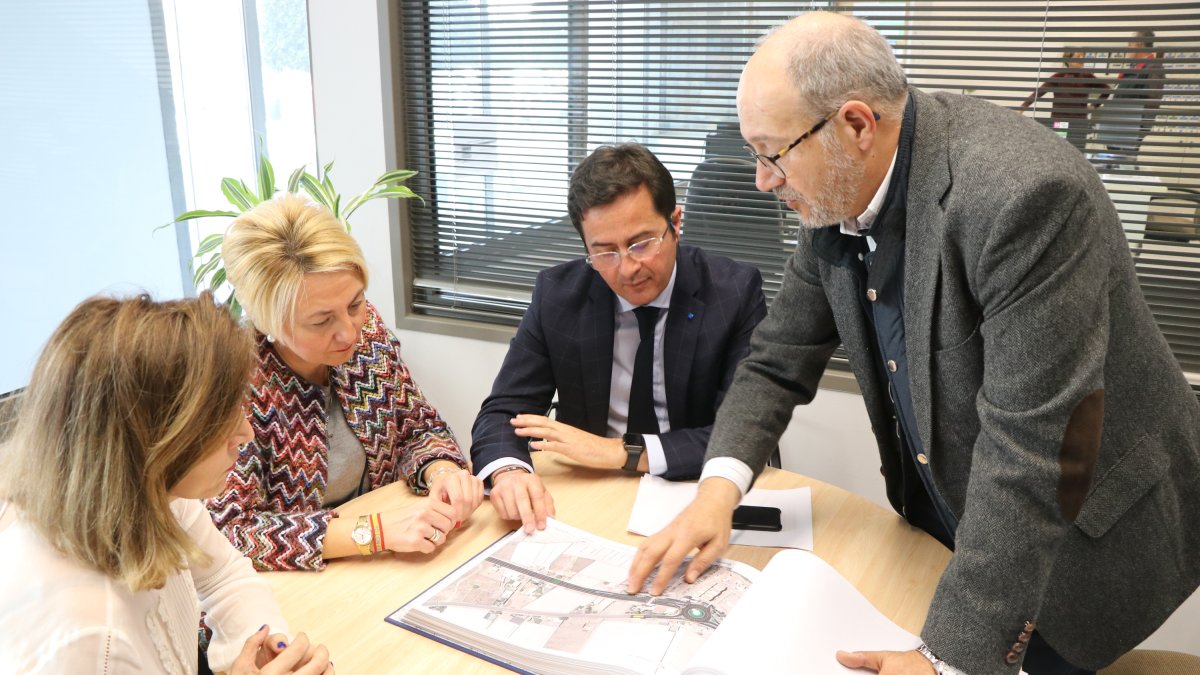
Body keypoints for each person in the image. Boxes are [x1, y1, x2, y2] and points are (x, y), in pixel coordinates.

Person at [626, 12, 1200, 675]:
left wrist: (947, 659)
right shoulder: (836, 190)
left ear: (856, 125)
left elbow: (1032, 447)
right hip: (962, 517)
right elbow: (776, 359)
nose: (762, 179)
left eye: (772, 154)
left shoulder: (1025, 196)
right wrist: (716, 492)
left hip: (1080, 530)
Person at [0, 294, 333, 674]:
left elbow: (224, 575)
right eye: (222, 417)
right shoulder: (86, 638)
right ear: (158, 436)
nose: (246, 432)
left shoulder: (155, 490)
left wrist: (265, 646)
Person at [471, 143, 767, 532]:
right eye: (605, 252)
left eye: (641, 243)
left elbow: (740, 433)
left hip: (695, 494)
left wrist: (620, 451)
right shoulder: (558, 296)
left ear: (676, 223)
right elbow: (502, 412)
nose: (628, 269)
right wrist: (509, 472)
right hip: (590, 496)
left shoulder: (733, 293)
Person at [207, 194, 483, 571]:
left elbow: (417, 429)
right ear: (267, 321)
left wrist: (442, 470)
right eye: (321, 321)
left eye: (355, 304)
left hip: (384, 560)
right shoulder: (232, 384)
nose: (349, 332)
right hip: (296, 583)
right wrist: (372, 533)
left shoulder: (367, 335)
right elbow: (230, 530)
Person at [1092, 30, 1165, 168]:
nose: (1127, 47)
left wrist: (1136, 132)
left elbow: (1151, 103)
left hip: (1128, 132)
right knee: (1111, 166)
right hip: (1117, 129)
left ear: (1139, 44)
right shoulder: (1133, 69)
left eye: (1130, 43)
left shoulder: (1153, 68)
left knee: (1123, 168)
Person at [1019, 49, 1110, 152]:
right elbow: (1038, 93)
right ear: (1068, 60)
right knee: (1059, 149)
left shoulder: (1087, 76)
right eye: (1078, 56)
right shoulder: (1059, 76)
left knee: (1077, 152)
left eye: (1083, 56)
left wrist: (1094, 106)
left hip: (1079, 122)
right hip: (1059, 121)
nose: (1082, 59)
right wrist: (1023, 107)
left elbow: (1107, 90)